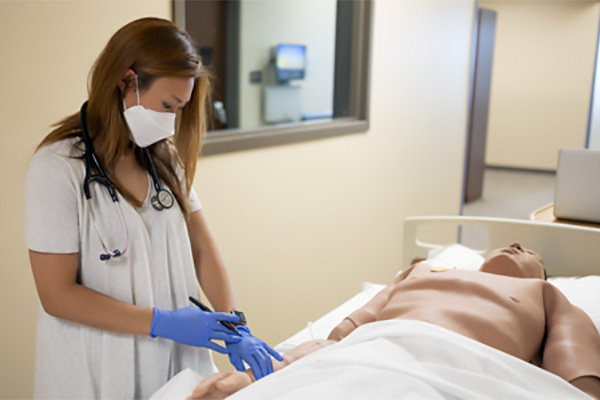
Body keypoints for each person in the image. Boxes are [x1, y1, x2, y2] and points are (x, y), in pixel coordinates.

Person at [25, 17, 281, 399]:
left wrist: (234, 325)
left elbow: (201, 248)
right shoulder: (57, 166)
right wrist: (163, 322)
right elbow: (56, 294)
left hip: (177, 365)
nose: (171, 121)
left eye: (179, 108)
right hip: (96, 368)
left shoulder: (164, 159)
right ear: (127, 80)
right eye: (166, 105)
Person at [189, 242, 600, 400]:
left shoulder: (545, 295)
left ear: (539, 274)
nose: (516, 246)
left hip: (454, 368)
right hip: (369, 356)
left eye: (531, 254)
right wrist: (263, 376)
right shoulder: (417, 273)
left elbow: (577, 385)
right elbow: (339, 340)